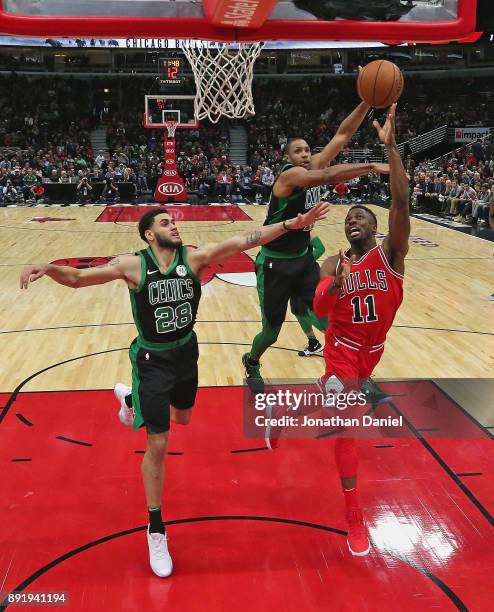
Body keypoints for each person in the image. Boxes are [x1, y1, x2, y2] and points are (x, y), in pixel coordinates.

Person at [19, 203, 329, 579]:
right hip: (152, 359)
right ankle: (156, 528)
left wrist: (290, 224)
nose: (174, 225)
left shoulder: (195, 258)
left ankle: (131, 400)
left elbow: (245, 239)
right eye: (165, 222)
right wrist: (48, 268)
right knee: (160, 443)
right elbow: (80, 278)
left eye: (173, 221)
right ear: (149, 233)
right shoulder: (134, 265)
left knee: (183, 417)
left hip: (187, 351)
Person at [312, 103, 409, 556]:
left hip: (374, 350)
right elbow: (316, 311)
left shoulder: (391, 253)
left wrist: (391, 150)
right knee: (347, 424)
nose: (354, 220)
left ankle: (338, 387)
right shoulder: (335, 262)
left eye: (361, 217)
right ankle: (354, 514)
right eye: (349, 217)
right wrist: (334, 288)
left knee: (352, 396)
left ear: (374, 227)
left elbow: (401, 201)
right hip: (341, 347)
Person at [242, 101, 390, 392]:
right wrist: (371, 166)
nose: (306, 155)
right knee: (271, 331)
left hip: (303, 260)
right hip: (274, 262)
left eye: (308, 150)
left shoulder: (313, 165)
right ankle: (251, 361)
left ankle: (353, 375)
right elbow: (325, 177)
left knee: (327, 323)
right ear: (286, 157)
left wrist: (366, 102)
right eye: (298, 151)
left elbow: (342, 135)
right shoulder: (290, 176)